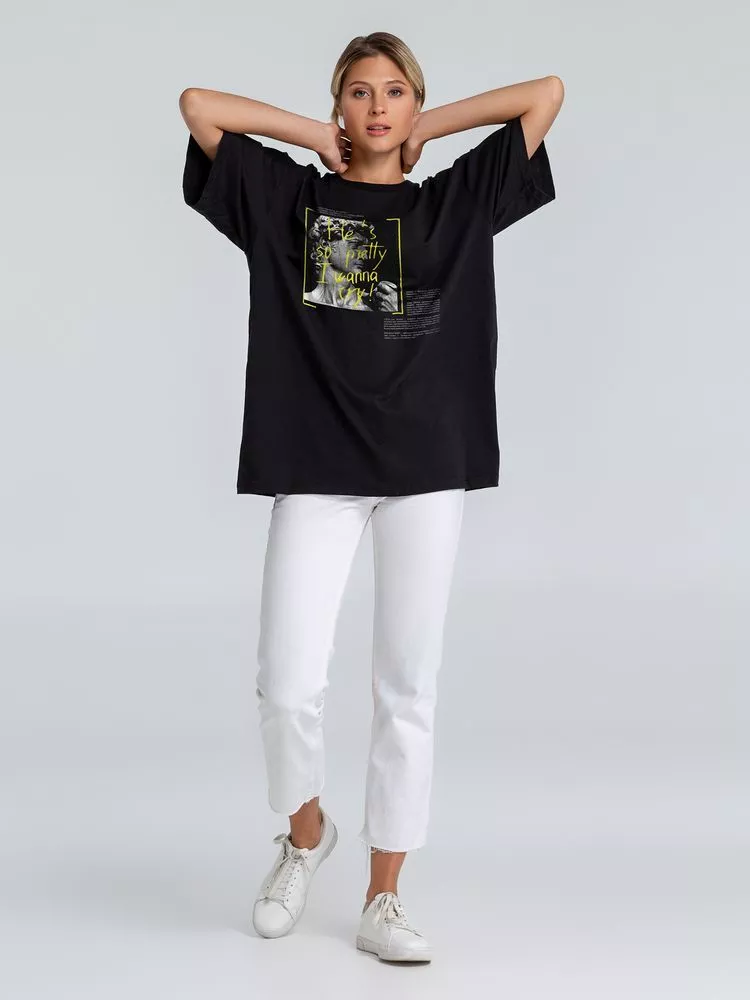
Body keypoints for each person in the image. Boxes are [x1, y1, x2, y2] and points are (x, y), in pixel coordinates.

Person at [180, 30, 562, 963]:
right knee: (287, 684)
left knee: (408, 685)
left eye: (396, 91)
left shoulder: (454, 204)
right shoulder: (289, 201)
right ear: (339, 106)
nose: (378, 106)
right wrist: (314, 137)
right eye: (360, 91)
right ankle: (305, 835)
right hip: (318, 465)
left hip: (427, 466)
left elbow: (545, 94)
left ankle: (384, 895)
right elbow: (198, 107)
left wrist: (434, 127)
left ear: (414, 105)